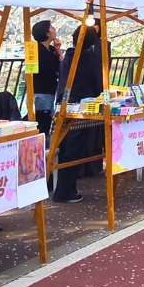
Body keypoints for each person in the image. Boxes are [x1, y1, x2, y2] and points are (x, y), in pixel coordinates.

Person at [52, 26, 102, 203]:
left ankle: (62, 189)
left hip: (61, 108)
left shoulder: (68, 58)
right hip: (81, 110)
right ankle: (64, 192)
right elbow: (99, 88)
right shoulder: (90, 62)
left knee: (63, 149)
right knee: (73, 152)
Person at [31, 20, 62, 137]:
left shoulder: (50, 50)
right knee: (42, 120)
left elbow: (60, 66)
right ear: (47, 33)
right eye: (52, 27)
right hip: (41, 90)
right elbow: (48, 71)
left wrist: (58, 51)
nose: (54, 30)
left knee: (48, 119)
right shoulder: (38, 50)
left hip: (49, 90)